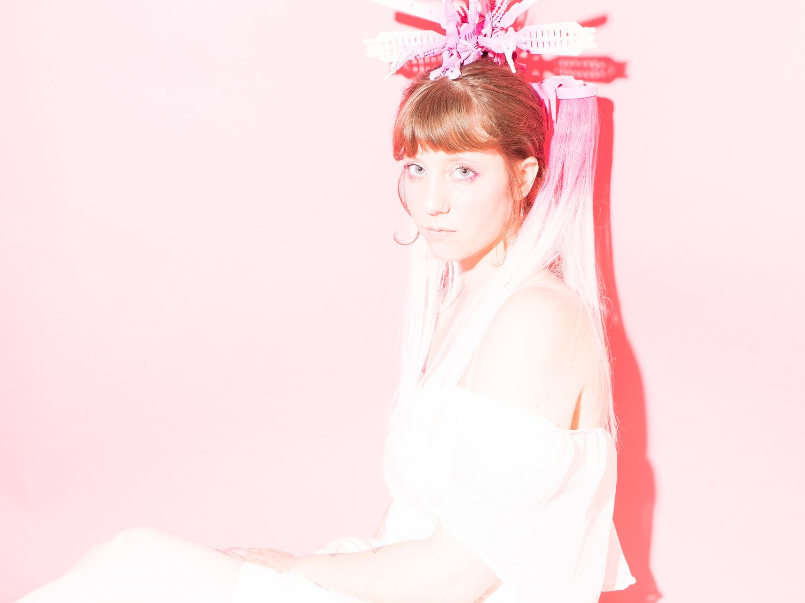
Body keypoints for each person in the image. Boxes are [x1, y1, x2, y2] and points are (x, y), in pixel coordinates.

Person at [13, 59, 636, 603]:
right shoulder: (466, 307)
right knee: (137, 564)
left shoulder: (536, 318)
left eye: (464, 171)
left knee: (139, 560)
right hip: (396, 586)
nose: (432, 201)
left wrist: (294, 570)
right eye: (417, 168)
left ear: (523, 177)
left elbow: (455, 576)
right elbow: (413, 535)